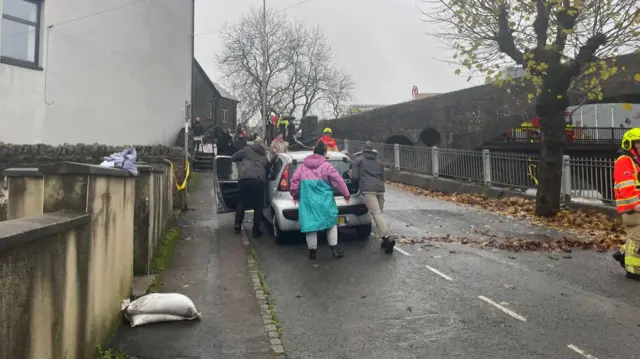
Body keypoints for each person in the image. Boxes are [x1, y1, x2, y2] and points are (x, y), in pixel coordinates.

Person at [290, 141, 351, 260]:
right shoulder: (327, 166)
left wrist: (295, 195)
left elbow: (294, 183)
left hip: (308, 202)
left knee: (310, 226)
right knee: (331, 223)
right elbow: (338, 181)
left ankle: (312, 251)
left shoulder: (302, 167)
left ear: (313, 152)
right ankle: (334, 249)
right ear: (325, 152)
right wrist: (346, 194)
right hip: (325, 201)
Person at [351, 142, 395, 253]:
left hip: (368, 190)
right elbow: (382, 177)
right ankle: (385, 241)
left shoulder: (358, 161)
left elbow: (355, 177)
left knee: (376, 214)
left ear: (363, 150)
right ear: (372, 151)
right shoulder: (379, 162)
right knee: (379, 214)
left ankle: (387, 237)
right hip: (380, 189)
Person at [613, 128, 640, 279]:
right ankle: (633, 270)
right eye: (638, 143)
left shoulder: (635, 160)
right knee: (638, 238)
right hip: (631, 208)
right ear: (630, 144)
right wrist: (636, 204)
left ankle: (623, 254)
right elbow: (626, 186)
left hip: (635, 206)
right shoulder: (625, 160)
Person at [231, 142, 269, 237]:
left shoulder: (247, 150)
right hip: (259, 180)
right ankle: (256, 231)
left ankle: (237, 225)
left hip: (245, 179)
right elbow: (268, 170)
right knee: (258, 206)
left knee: (241, 202)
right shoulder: (264, 156)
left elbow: (233, 157)